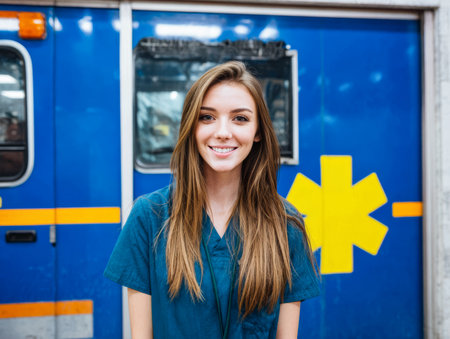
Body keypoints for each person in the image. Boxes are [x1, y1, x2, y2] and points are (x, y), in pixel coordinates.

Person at [104, 61, 320, 338]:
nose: (222, 132)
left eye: (240, 118)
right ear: (191, 128)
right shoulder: (149, 217)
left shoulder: (285, 225)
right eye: (207, 117)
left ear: (257, 133)